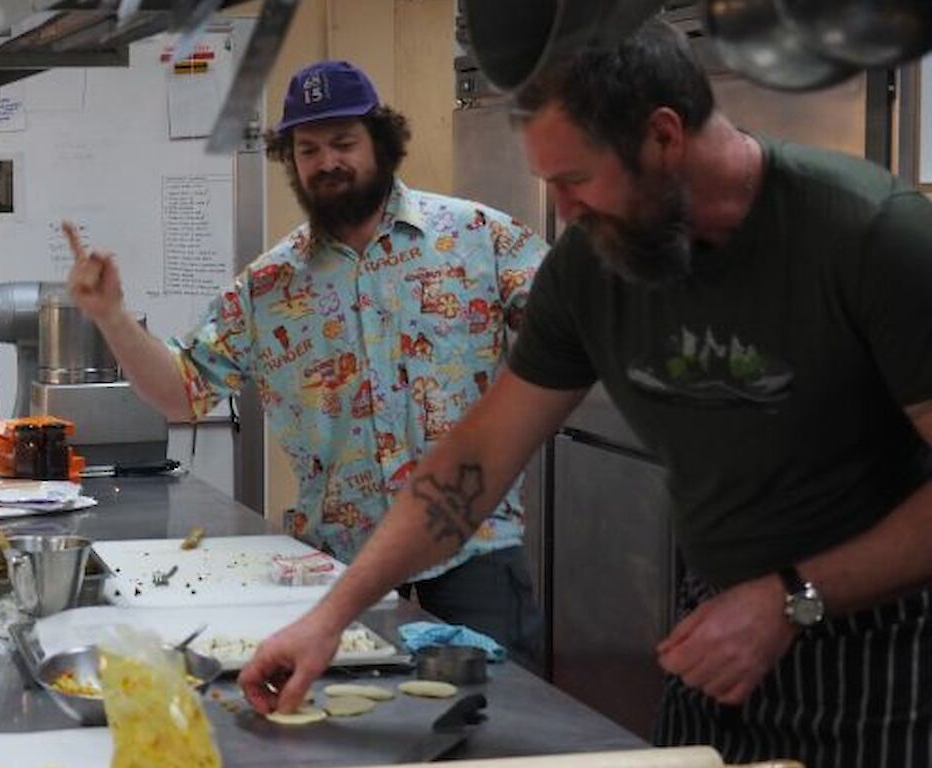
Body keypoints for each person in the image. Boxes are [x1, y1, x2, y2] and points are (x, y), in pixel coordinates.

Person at [238, 21, 932, 763]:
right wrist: (331, 620)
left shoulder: (870, 238)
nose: (563, 211)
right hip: (719, 633)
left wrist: (793, 598)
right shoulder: (594, 268)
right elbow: (474, 460)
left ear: (663, 137)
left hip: (882, 656)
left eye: (575, 180)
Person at [63, 60, 549, 663]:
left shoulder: (478, 237)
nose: (326, 162)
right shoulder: (270, 285)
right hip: (337, 571)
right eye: (307, 149)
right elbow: (181, 393)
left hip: (474, 561)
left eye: (343, 143)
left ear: (382, 145)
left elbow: (571, 328)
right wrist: (111, 314)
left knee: (499, 738)